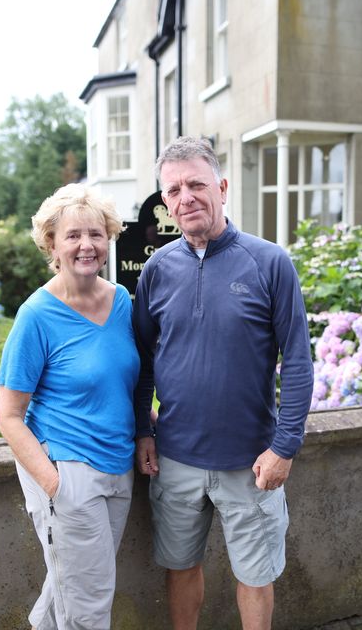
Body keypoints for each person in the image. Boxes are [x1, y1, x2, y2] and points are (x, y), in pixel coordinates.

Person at [133, 136, 315, 630]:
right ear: (165, 202)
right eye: (173, 190)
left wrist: (285, 446)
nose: (186, 197)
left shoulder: (268, 262)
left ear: (223, 187)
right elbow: (142, 359)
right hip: (175, 458)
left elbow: (297, 359)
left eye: (196, 184)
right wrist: (143, 431)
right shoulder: (157, 269)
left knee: (255, 576)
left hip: (251, 461)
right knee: (180, 567)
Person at [0, 184, 139, 630]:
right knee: (89, 602)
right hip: (69, 467)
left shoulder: (121, 302)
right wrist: (55, 484)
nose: (86, 245)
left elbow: (126, 382)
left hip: (119, 465)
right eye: (73, 235)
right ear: (52, 244)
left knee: (73, 588)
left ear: (109, 239)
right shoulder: (36, 315)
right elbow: (8, 414)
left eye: (96, 234)